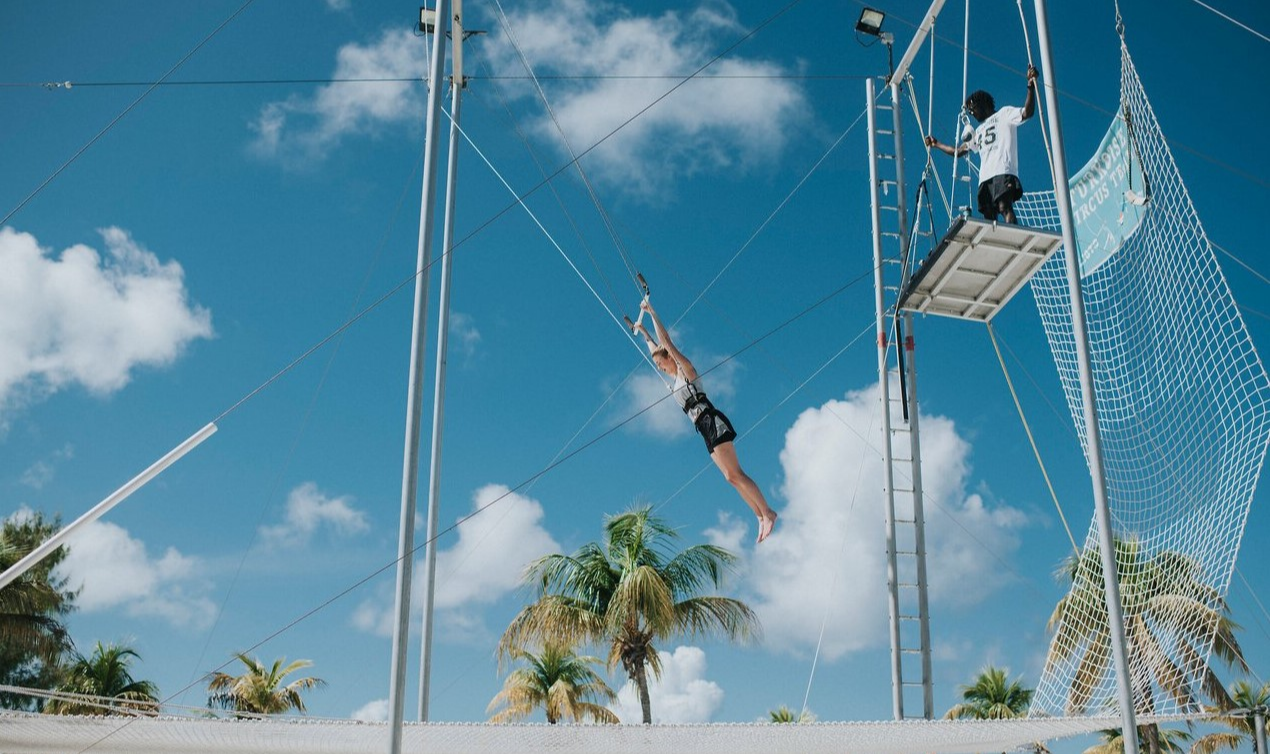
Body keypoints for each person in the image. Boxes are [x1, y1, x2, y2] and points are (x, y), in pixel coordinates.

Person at [632, 299, 778, 544]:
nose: (660, 368)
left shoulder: (686, 371)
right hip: (702, 429)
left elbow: (666, 342)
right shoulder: (674, 381)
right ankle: (759, 516)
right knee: (730, 477)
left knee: (737, 473)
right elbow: (654, 347)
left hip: (712, 420)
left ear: (670, 359)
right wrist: (643, 331)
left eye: (661, 363)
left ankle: (768, 511)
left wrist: (651, 313)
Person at [925, 64, 1039, 225]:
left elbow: (1028, 112)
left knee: (1005, 207)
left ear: (982, 104)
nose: (972, 114)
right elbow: (958, 151)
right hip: (985, 177)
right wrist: (937, 144)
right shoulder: (977, 131)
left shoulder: (1004, 114)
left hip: (1003, 170)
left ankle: (1012, 238)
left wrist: (1030, 86)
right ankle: (995, 245)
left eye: (973, 109)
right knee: (989, 217)